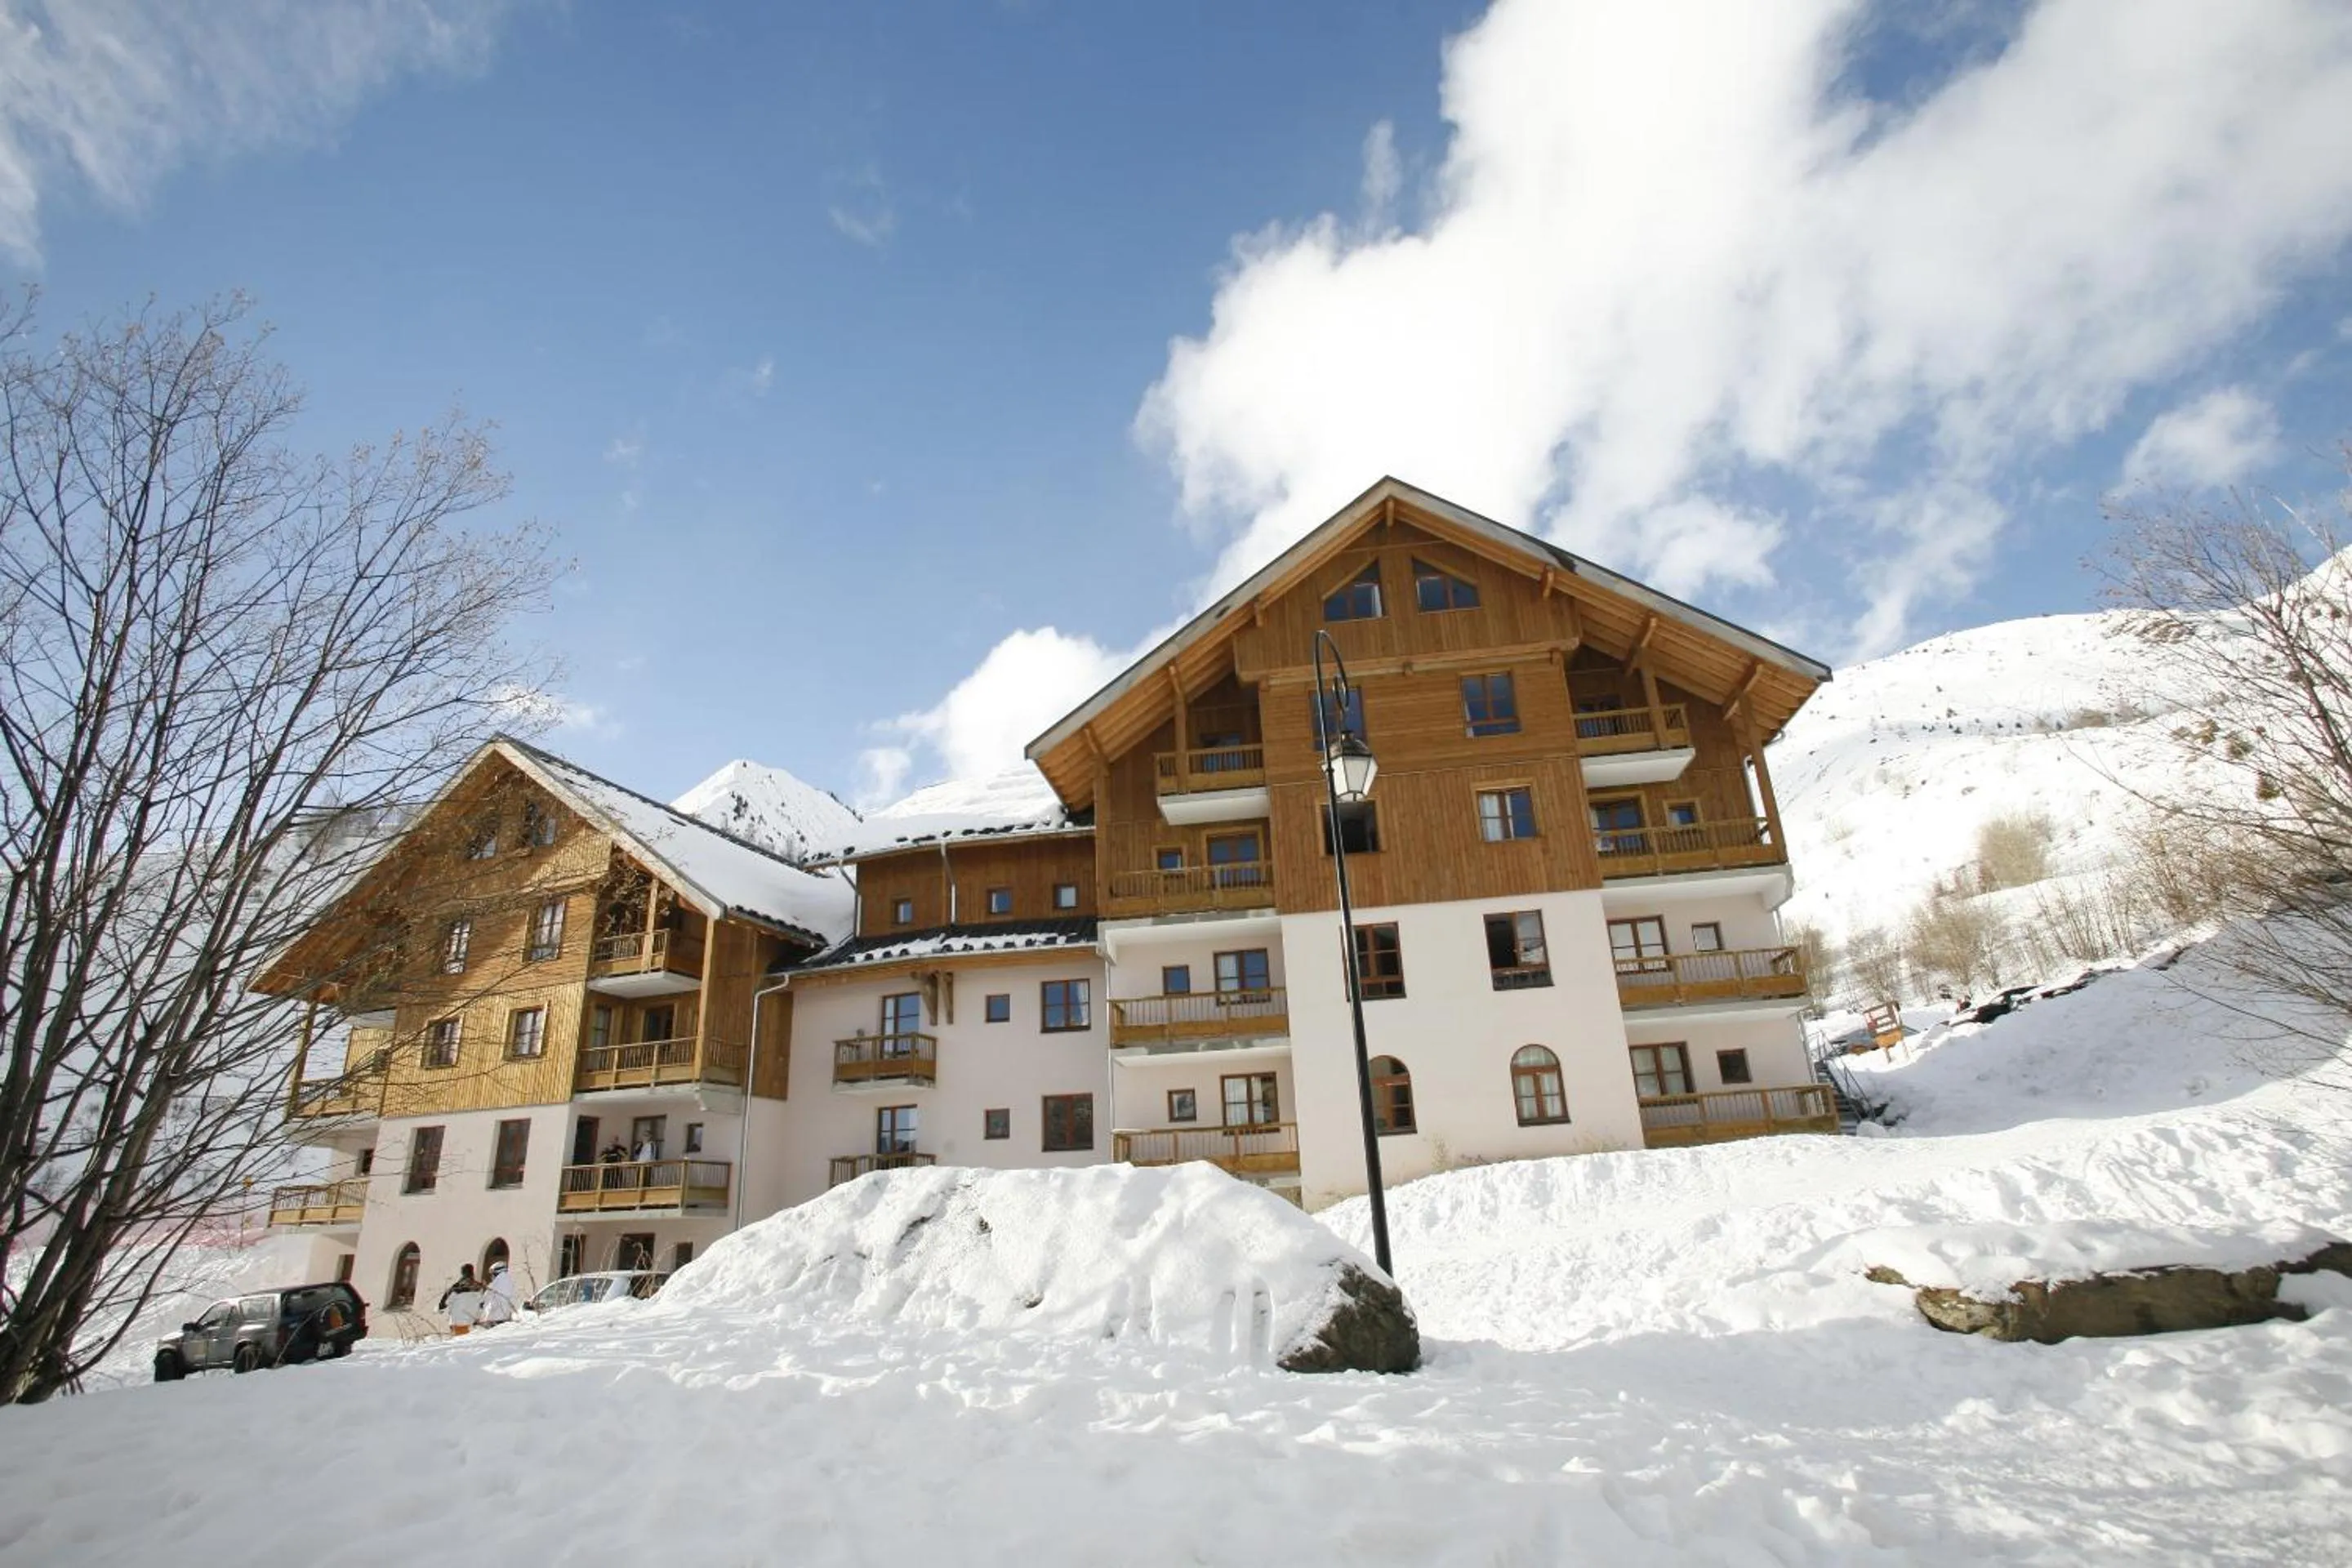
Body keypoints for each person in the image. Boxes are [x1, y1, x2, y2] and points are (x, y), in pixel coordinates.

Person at [439, 1264, 485, 1336]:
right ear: (472, 1272)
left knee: (459, 1344)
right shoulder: (479, 1287)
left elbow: (443, 1303)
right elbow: (483, 1304)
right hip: (473, 1322)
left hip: (458, 1322)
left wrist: (440, 1308)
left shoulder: (456, 1287)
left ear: (462, 1272)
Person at [479, 1262, 519, 1328]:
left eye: (492, 1274)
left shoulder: (496, 1284)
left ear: (496, 1272)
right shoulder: (510, 1281)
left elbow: (489, 1300)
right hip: (507, 1317)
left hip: (495, 1318)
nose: (492, 1276)